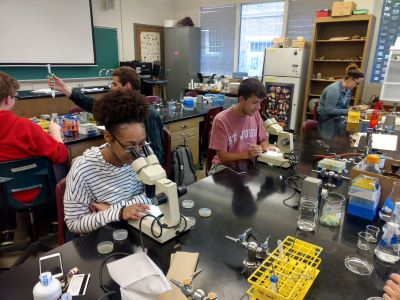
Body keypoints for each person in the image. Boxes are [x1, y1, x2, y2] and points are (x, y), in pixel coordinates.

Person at [63, 89, 153, 235]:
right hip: (104, 236)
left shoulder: (145, 152)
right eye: (129, 146)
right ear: (108, 137)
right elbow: (74, 223)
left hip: (137, 226)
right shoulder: (83, 170)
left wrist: (112, 209)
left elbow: (153, 194)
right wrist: (119, 213)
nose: (138, 153)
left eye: (142, 142)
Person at [0, 71, 68, 245]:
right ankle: (56, 223)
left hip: (3, 196)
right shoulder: (25, 126)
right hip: (36, 191)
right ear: (8, 98)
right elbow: (60, 155)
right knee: (61, 167)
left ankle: (11, 232)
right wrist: (56, 134)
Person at [48, 66, 164, 164]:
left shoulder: (147, 113)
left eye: (114, 84)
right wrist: (64, 89)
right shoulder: (119, 108)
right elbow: (93, 105)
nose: (111, 87)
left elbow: (156, 154)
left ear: (127, 86)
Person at [208, 78, 277, 174]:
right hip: (223, 168)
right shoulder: (221, 120)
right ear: (241, 99)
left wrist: (261, 148)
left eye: (260, 102)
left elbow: (264, 139)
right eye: (254, 102)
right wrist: (247, 155)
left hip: (246, 166)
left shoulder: (255, 114)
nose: (259, 107)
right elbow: (222, 157)